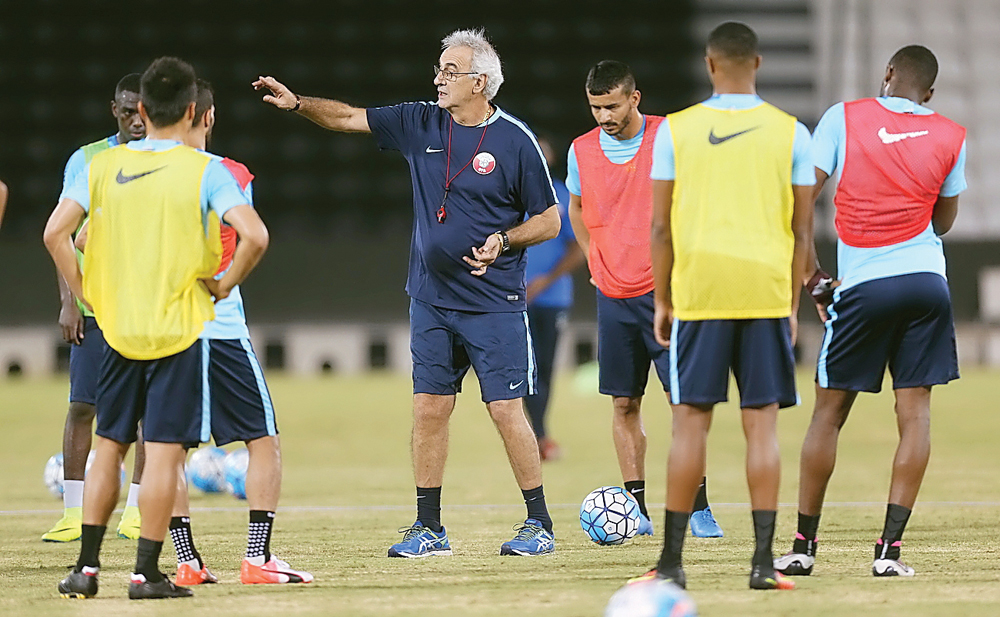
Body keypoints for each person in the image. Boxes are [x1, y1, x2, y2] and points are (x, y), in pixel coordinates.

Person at [254, 27, 561, 557]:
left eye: (450, 71)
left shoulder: (515, 139)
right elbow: (350, 117)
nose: (438, 78)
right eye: (439, 68)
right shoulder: (420, 120)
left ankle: (539, 523)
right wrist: (298, 103)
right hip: (430, 298)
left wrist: (504, 240)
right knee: (428, 409)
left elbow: (551, 219)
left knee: (507, 410)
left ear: (480, 82)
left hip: (494, 303)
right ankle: (429, 528)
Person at [45, 56, 269, 600]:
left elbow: (60, 235)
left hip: (119, 327)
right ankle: (147, 572)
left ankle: (87, 569)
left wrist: (86, 292)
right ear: (193, 110)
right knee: (165, 451)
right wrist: (221, 285)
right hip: (178, 332)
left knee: (109, 445)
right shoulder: (204, 170)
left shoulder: (102, 167)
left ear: (141, 109)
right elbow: (255, 236)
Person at [775, 45, 966, 579]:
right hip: (929, 282)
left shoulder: (844, 116)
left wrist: (812, 275)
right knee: (916, 416)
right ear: (928, 93)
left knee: (829, 414)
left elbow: (801, 196)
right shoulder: (952, 134)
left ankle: (802, 548)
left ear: (887, 75)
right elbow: (944, 221)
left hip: (865, 286)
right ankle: (888, 555)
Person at [642, 22, 814, 590]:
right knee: (761, 430)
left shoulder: (676, 131)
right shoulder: (792, 133)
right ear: (757, 64)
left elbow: (661, 225)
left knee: (690, 425)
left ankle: (671, 565)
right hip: (763, 289)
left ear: (711, 65)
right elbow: (803, 230)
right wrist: (790, 304)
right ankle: (763, 564)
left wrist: (664, 299)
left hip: (701, 291)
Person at [567, 60, 723, 539]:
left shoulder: (671, 137)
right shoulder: (581, 150)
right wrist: (594, 258)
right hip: (613, 298)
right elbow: (575, 205)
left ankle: (697, 507)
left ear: (635, 98)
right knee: (623, 405)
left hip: (667, 296)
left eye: (611, 106)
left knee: (684, 405)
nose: (603, 116)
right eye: (595, 107)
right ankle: (636, 513)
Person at [167, 79, 312, 586]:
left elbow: (82, 238)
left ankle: (186, 562)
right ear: (205, 116)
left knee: (164, 449)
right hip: (220, 327)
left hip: (161, 331)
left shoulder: (133, 173)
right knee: (262, 440)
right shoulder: (229, 173)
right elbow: (251, 236)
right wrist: (223, 285)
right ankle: (257, 558)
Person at [43, 73, 149, 543]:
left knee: (150, 413)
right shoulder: (87, 159)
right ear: (115, 110)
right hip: (94, 304)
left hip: (145, 306)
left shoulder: (166, 158)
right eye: (127, 110)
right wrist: (70, 302)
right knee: (83, 405)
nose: (135, 119)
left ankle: (136, 512)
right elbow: (62, 233)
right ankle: (72, 511)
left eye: (143, 110)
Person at [524, 136, 585, 462]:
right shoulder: (509, 194)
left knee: (544, 369)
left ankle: (538, 434)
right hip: (511, 299)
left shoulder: (563, 195)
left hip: (552, 299)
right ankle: (538, 435)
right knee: (523, 370)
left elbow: (579, 248)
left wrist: (546, 280)